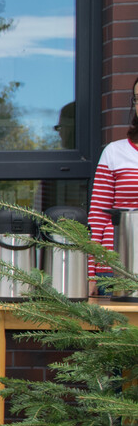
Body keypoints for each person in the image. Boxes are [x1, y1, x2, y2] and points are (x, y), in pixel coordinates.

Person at [86, 77, 138, 277]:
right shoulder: (114, 152)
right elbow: (98, 216)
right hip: (112, 267)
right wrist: (90, 272)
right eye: (137, 98)